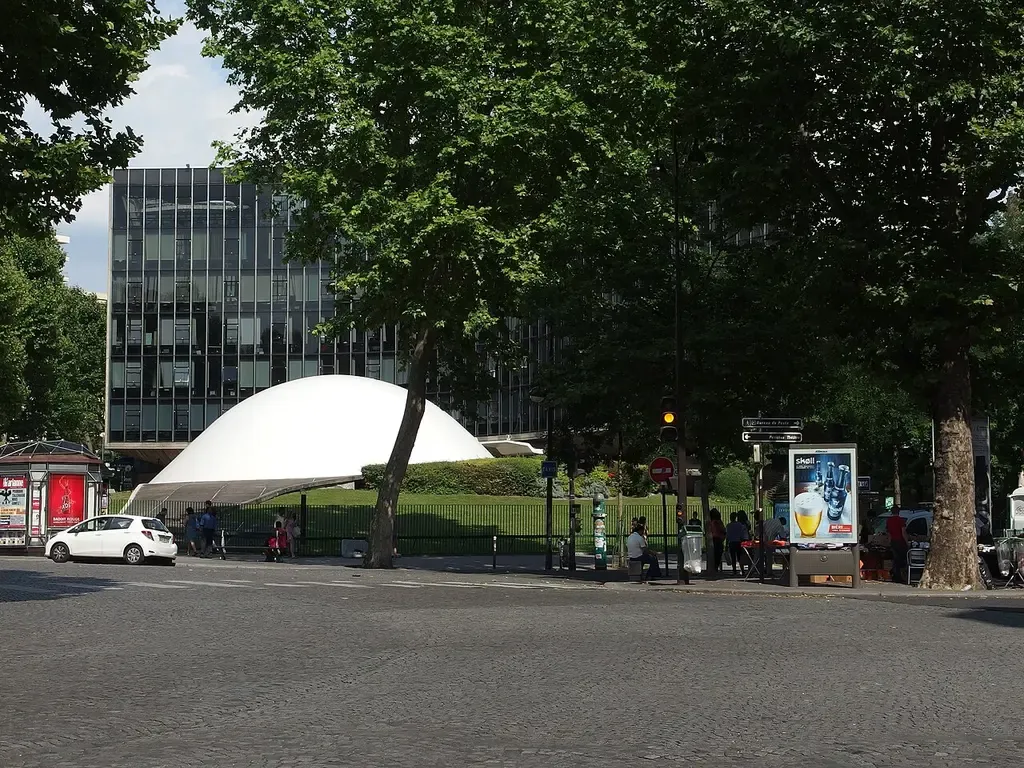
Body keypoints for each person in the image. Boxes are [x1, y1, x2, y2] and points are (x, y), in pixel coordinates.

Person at [886, 506, 908, 583]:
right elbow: (903, 532)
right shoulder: (900, 520)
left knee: (895, 559)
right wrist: (906, 541)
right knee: (902, 559)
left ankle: (895, 574)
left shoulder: (889, 521)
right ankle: (901, 576)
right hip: (900, 542)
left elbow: (888, 533)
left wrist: (889, 542)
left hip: (893, 542)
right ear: (898, 512)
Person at [726, 512, 750, 577]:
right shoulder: (739, 525)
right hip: (738, 542)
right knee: (740, 557)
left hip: (731, 542)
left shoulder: (728, 525)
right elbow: (742, 534)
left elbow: (727, 536)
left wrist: (726, 545)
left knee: (733, 558)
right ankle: (742, 570)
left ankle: (734, 571)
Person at [707, 508, 726, 575]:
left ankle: (713, 568)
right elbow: (723, 530)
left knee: (713, 555)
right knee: (718, 555)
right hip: (718, 539)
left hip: (712, 539)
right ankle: (715, 568)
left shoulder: (710, 522)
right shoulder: (718, 522)